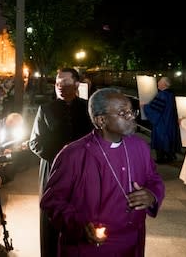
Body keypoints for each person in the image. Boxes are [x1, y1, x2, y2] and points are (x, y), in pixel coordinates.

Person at [41, 88, 165, 256]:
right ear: (101, 120)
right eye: (123, 113)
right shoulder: (73, 154)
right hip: (89, 248)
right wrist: (79, 225)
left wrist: (152, 195)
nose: (131, 117)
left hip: (132, 244)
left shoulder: (139, 147)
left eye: (131, 111)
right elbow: (52, 201)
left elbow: (154, 178)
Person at [29, 67, 93, 257]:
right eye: (57, 82)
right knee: (52, 217)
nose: (60, 86)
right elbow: (35, 142)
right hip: (53, 170)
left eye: (65, 82)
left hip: (84, 171)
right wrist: (60, 159)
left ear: (76, 84)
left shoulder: (88, 108)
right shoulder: (46, 109)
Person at [142, 77, 181, 163]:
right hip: (170, 122)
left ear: (164, 84)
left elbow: (155, 110)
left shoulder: (162, 95)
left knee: (160, 139)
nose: (158, 83)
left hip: (162, 122)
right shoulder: (172, 94)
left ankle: (161, 159)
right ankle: (170, 156)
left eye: (159, 82)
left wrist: (145, 106)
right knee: (169, 139)